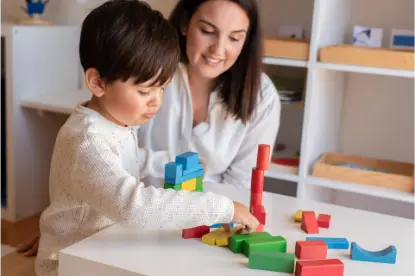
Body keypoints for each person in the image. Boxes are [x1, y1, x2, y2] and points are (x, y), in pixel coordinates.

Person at [18, 0, 281, 257]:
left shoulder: (115, 123)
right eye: (145, 91)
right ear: (97, 82)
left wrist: (168, 163)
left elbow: (131, 160)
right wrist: (222, 208)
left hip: (112, 242)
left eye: (162, 88)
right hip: (80, 258)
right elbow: (132, 205)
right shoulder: (89, 139)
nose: (157, 101)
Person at [138, 0, 281, 188]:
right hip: (139, 207)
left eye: (234, 38)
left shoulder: (262, 96)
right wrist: (165, 164)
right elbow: (113, 151)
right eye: (208, 31)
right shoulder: (146, 70)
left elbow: (241, 183)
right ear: (185, 24)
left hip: (211, 212)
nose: (218, 50)